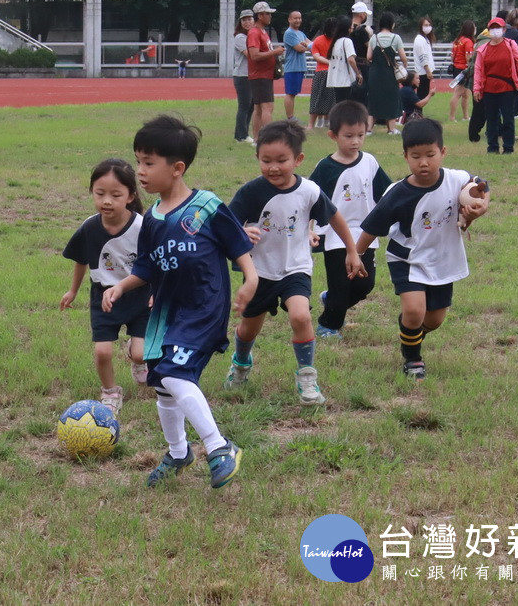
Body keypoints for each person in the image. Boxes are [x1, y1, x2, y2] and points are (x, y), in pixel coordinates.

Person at [101, 115, 255, 489]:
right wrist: (122, 286)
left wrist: (250, 279)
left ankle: (219, 447)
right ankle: (178, 451)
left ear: (177, 168)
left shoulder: (206, 205)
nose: (140, 171)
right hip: (167, 311)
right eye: (138, 161)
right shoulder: (150, 218)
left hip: (203, 306)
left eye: (149, 163)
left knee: (175, 373)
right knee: (163, 386)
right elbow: (148, 266)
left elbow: (238, 246)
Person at [225, 120, 365, 405]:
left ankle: (307, 376)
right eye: (266, 161)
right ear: (257, 158)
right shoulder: (250, 192)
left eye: (281, 160)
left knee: (300, 316)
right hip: (260, 271)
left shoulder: (310, 190)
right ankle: (240, 363)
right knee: (249, 328)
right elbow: (225, 225)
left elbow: (335, 216)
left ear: (298, 159)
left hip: (295, 268)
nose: (273, 167)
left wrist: (352, 250)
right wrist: (241, 232)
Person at [357, 118, 490, 379]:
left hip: (443, 259)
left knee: (435, 320)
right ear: (405, 156)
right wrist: (356, 254)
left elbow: (481, 185)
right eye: (416, 156)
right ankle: (412, 359)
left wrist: (482, 203)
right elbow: (371, 226)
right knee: (415, 310)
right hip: (407, 258)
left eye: (430, 155)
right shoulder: (397, 193)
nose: (424, 162)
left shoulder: (457, 179)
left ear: (443, 152)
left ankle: (409, 332)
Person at [60, 159, 149, 413]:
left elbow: (155, 265)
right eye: (100, 194)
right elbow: (81, 260)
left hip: (140, 295)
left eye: (115, 194)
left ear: (130, 196)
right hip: (103, 297)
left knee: (142, 353)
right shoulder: (89, 227)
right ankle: (110, 391)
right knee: (102, 353)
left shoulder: (144, 227)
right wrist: (73, 291)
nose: (106, 201)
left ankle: (137, 360)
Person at [309, 101, 391, 339]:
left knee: (365, 284)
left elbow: (387, 194)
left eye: (360, 135)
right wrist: (309, 229)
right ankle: (329, 325)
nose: (355, 141)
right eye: (348, 136)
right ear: (333, 135)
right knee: (342, 284)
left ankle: (331, 299)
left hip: (366, 234)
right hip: (335, 236)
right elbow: (309, 201)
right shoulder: (325, 168)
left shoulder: (370, 162)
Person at [473, 16, 518, 155]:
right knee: (491, 119)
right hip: (489, 88)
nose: (495, 31)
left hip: (507, 87)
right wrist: (477, 89)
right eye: (493, 28)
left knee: (508, 118)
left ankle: (508, 147)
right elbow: (478, 70)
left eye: (498, 28)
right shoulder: (483, 49)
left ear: (504, 30)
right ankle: (492, 147)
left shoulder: (510, 45)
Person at [247, 1, 285, 138]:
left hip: (263, 75)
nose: (270, 16)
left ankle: (258, 138)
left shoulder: (262, 32)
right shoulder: (254, 33)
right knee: (267, 107)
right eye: (268, 14)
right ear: (260, 15)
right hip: (260, 75)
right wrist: (275, 52)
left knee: (258, 108)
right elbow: (254, 55)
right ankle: (268, 137)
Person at [365, 12, 407, 135]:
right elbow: (403, 57)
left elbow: (368, 57)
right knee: (391, 99)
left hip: (374, 74)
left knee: (373, 100)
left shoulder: (374, 38)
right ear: (392, 24)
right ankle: (391, 129)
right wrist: (404, 66)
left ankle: (369, 129)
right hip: (389, 74)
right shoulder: (396, 38)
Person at [325, 16, 362, 106]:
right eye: (351, 25)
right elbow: (351, 59)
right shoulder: (347, 41)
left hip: (336, 79)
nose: (353, 27)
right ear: (348, 28)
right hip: (346, 79)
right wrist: (358, 73)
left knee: (339, 104)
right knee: (347, 105)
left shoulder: (335, 42)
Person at [308, 17, 337, 130]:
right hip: (329, 72)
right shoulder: (337, 40)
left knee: (318, 98)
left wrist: (327, 62)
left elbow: (316, 56)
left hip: (321, 72)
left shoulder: (319, 40)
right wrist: (331, 63)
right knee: (329, 99)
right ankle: (323, 122)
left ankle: (315, 123)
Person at [283, 11, 311, 123]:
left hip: (299, 67)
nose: (298, 20)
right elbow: (299, 48)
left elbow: (311, 44)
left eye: (299, 18)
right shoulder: (289, 33)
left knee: (293, 93)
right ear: (289, 19)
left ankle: (291, 117)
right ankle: (290, 117)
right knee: (290, 93)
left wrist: (306, 45)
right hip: (292, 68)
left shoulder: (300, 33)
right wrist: (306, 45)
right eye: (295, 18)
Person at [232, 9, 255, 143]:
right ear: (240, 22)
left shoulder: (253, 36)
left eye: (249, 19)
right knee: (244, 105)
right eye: (244, 20)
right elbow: (250, 55)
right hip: (242, 75)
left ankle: (244, 133)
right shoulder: (240, 37)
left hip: (251, 75)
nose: (247, 22)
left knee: (251, 105)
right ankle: (241, 135)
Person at [448, 21, 476, 124]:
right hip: (464, 69)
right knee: (458, 93)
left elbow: (452, 56)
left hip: (456, 68)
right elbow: (468, 57)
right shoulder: (468, 41)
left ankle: (466, 116)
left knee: (466, 94)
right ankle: (452, 117)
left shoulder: (457, 40)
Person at [350, 1, 374, 104]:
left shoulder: (347, 28)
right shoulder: (362, 31)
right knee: (364, 93)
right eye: (365, 14)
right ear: (361, 15)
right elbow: (370, 47)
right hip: (363, 65)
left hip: (350, 63)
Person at [412, 16, 436, 101]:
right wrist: (428, 71)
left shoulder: (425, 39)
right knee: (422, 95)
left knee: (423, 93)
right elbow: (423, 57)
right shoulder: (419, 39)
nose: (428, 27)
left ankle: (418, 112)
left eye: (429, 25)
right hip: (423, 72)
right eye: (425, 25)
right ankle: (418, 112)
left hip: (425, 71)